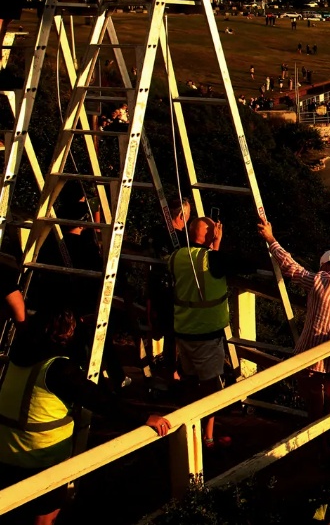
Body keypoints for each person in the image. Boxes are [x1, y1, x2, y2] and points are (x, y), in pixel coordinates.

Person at [0, 310, 169, 524]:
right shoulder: (58, 369)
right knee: (46, 516)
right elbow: (101, 401)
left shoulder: (19, 356)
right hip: (40, 457)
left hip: (6, 451)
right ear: (65, 332)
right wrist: (144, 417)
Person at [256, 221, 330, 446]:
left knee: (313, 400)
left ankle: (316, 439)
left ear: (324, 266)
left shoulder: (319, 280)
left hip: (311, 352)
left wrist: (271, 239)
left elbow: (290, 267)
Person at [169, 215, 260, 447]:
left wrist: (214, 244)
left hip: (183, 330)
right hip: (207, 333)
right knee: (211, 387)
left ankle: (188, 431)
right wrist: (217, 244)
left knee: (190, 382)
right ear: (212, 235)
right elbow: (249, 265)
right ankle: (207, 438)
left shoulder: (176, 256)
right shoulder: (212, 259)